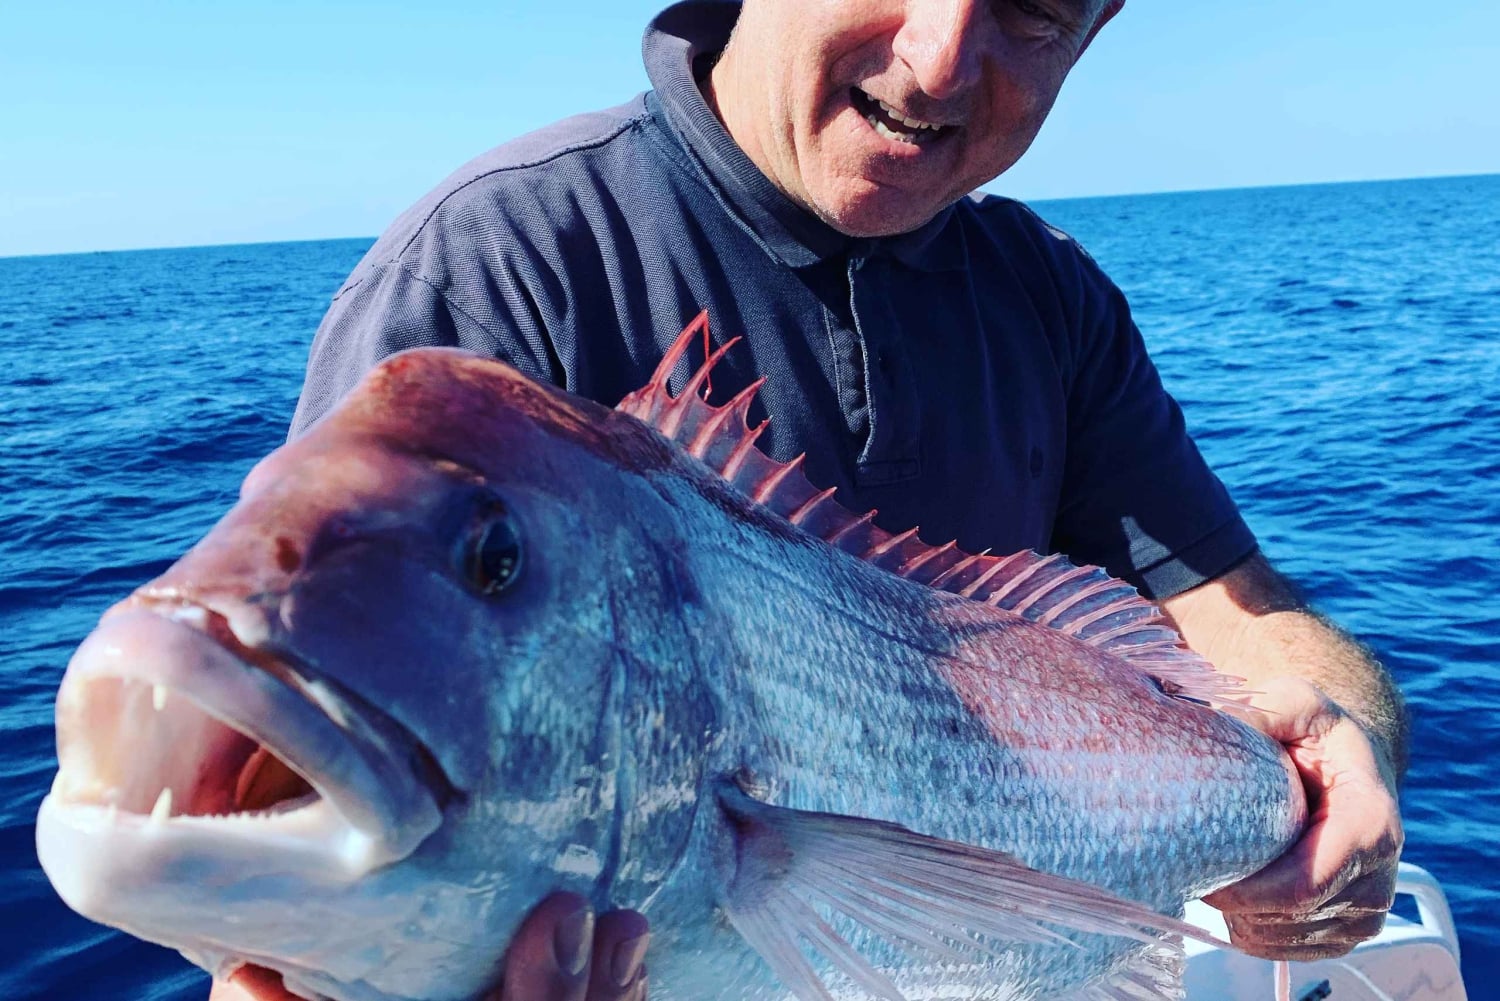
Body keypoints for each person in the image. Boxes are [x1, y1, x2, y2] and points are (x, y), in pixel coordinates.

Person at [215, 0, 1408, 997]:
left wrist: (1352, 757)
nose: (943, 55)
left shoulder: (1046, 291)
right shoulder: (499, 265)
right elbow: (262, 893)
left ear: (1092, 37)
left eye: (1035, 6)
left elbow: (1244, 623)